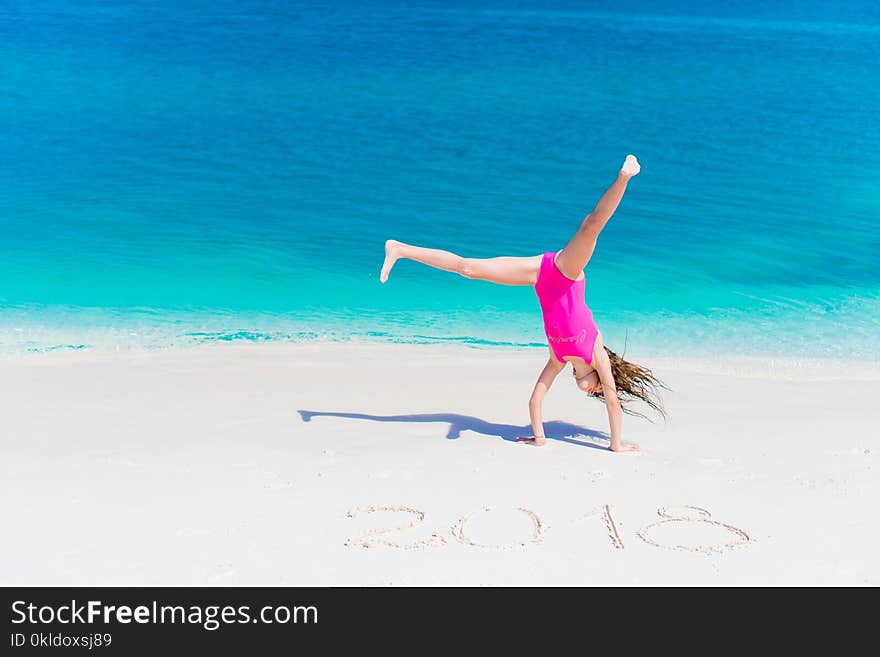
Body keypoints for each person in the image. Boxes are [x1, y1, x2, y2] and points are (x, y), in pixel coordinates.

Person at [379, 155, 664, 452]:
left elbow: (535, 399)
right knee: (591, 226)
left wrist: (539, 438)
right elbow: (614, 402)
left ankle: (399, 249)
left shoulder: (558, 357)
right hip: (566, 271)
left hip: (540, 275)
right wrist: (616, 445)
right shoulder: (595, 350)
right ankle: (624, 176)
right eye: (598, 390)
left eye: (594, 394)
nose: (595, 392)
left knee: (468, 269)